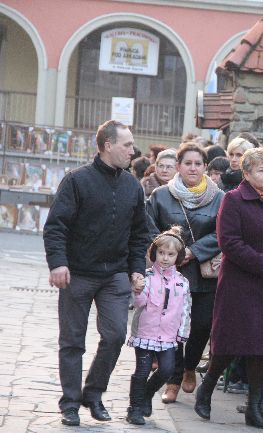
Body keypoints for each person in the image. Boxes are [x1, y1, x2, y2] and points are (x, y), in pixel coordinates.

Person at [44, 120, 149, 426]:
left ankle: (93, 393)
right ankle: (70, 404)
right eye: (127, 145)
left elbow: (140, 234)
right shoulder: (77, 180)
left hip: (114, 274)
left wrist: (136, 269)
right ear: (107, 145)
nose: (133, 150)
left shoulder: (132, 185)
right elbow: (56, 227)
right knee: (73, 341)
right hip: (77, 273)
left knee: (116, 335)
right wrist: (58, 263)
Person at [194, 147, 263, 430]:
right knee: (231, 344)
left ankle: (254, 409)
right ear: (246, 174)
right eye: (262, 171)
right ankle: (206, 389)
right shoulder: (233, 199)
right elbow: (229, 241)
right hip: (241, 284)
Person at [146, 142, 225, 404]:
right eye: (188, 163)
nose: (193, 168)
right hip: (170, 273)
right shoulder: (160, 195)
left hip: (203, 273)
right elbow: (149, 228)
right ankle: (174, 379)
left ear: (205, 167)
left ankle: (191, 365)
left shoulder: (219, 197)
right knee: (170, 328)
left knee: (201, 326)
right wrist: (170, 250)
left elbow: (222, 232)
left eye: (198, 164)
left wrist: (194, 251)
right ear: (178, 166)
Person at [125, 226, 191, 425]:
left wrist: (183, 332)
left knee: (167, 369)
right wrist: (138, 290)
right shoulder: (147, 277)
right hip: (146, 333)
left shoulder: (182, 282)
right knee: (142, 371)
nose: (165, 258)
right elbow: (138, 304)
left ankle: (147, 393)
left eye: (170, 254)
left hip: (169, 336)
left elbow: (186, 309)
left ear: (178, 257)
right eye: (161, 253)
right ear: (154, 253)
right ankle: (134, 408)